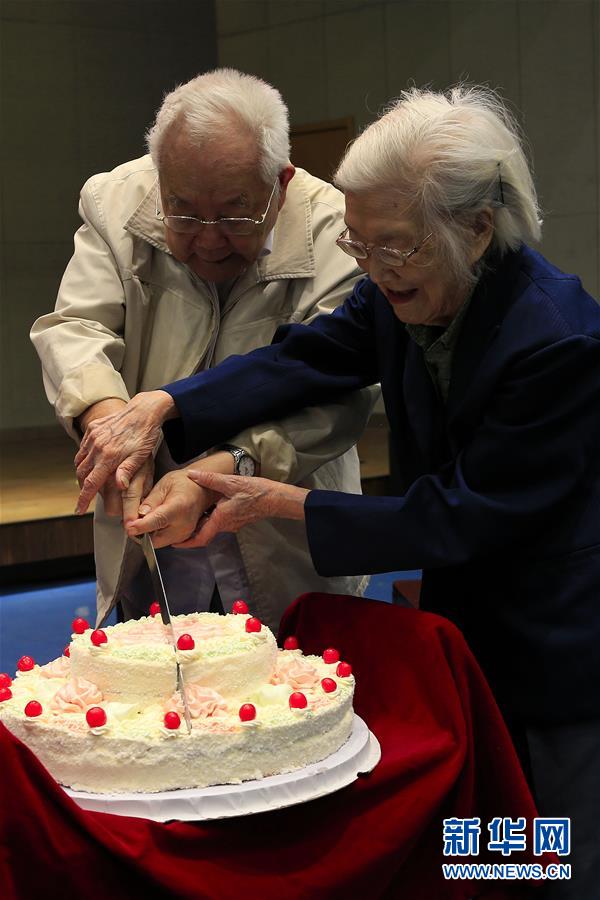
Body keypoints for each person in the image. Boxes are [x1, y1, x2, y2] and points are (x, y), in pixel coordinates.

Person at [73, 85, 600, 896]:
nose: (374, 269)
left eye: (394, 248)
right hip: (467, 634)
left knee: (552, 858)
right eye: (359, 246)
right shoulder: (407, 280)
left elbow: (464, 516)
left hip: (558, 650)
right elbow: (302, 359)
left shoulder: (554, 340)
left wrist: (279, 503)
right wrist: (165, 405)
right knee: (483, 860)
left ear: (476, 228)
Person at [30, 68, 377, 631]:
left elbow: (340, 395)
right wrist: (112, 421)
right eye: (184, 211)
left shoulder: (337, 229)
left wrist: (221, 471)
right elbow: (74, 328)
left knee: (299, 696)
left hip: (286, 545)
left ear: (281, 184)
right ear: (160, 177)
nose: (209, 238)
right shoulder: (116, 200)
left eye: (235, 215)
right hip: (152, 536)